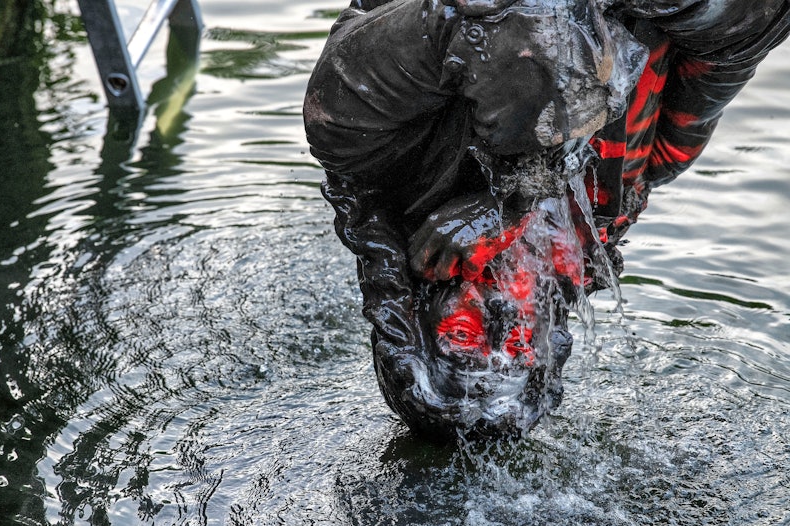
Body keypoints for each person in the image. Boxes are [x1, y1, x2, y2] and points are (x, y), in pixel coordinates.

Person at [303, 0, 790, 439]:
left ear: (417, 305)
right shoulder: (628, 183)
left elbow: (520, 21)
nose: (503, 318)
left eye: (466, 334)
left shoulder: (352, 133)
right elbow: (755, 23)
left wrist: (516, 195)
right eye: (516, 343)